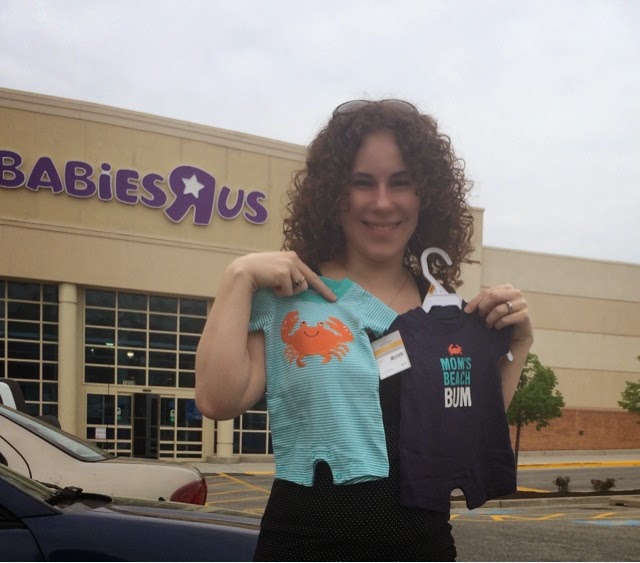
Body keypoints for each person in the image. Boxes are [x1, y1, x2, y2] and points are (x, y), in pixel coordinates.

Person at [195, 98, 534, 561]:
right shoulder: (288, 295)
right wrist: (237, 277)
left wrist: (519, 343)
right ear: (334, 194)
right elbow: (217, 400)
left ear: (425, 196)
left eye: (401, 183)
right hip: (302, 549)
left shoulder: (441, 308)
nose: (382, 202)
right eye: (362, 183)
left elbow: (468, 427)